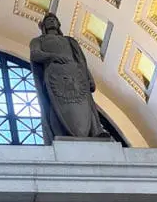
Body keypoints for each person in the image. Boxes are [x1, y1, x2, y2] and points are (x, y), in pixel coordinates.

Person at [29, 12, 106, 143]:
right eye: (48, 20)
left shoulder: (69, 41)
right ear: (43, 25)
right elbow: (35, 54)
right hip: (55, 76)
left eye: (54, 20)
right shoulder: (38, 41)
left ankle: (95, 130)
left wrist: (89, 77)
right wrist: (52, 56)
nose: (51, 22)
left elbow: (81, 60)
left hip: (75, 74)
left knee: (87, 102)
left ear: (58, 24)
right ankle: (58, 133)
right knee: (54, 103)